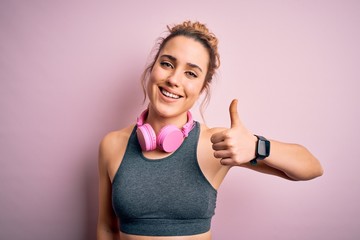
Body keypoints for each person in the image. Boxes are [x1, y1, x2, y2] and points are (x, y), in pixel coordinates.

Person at [97, 21, 323, 240]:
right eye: (167, 64)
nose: (174, 79)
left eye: (191, 73)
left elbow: (312, 168)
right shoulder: (113, 144)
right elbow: (107, 228)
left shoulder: (215, 144)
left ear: (202, 87)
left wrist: (256, 146)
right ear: (152, 68)